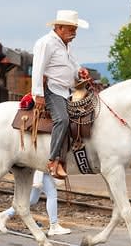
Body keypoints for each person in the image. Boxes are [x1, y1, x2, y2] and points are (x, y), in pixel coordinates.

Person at [32, 9, 90, 178]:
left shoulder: (66, 46)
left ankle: (61, 160)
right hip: (52, 89)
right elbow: (38, 69)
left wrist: (81, 72)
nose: (75, 34)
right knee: (62, 119)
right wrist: (39, 94)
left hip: (66, 91)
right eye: (71, 30)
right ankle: (52, 160)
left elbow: (73, 65)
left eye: (75, 30)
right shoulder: (46, 43)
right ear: (59, 27)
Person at [0, 170, 71, 236]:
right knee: (52, 194)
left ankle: (5, 214)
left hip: (36, 170)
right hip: (38, 169)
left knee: (32, 199)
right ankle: (54, 226)